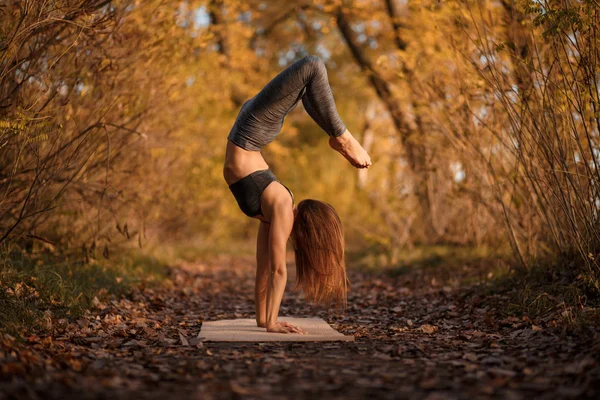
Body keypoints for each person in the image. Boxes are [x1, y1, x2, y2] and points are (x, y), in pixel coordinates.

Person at [223, 55, 371, 334]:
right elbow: (279, 271)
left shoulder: (273, 212)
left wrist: (263, 320)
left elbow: (263, 269)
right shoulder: (281, 205)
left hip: (249, 131)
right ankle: (341, 137)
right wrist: (273, 324)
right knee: (312, 67)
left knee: (307, 85)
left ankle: (336, 135)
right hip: (251, 132)